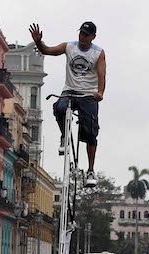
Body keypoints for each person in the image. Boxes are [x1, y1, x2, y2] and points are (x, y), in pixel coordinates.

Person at [29, 22, 105, 188]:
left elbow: (101, 75)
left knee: (90, 131)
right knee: (59, 108)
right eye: (81, 33)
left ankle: (91, 170)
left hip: (88, 94)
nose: (82, 37)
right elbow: (46, 50)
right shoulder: (69, 47)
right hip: (69, 90)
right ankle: (64, 136)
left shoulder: (98, 53)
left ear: (93, 37)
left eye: (86, 35)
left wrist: (100, 93)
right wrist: (38, 42)